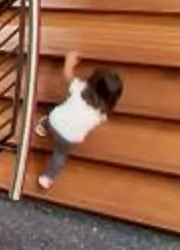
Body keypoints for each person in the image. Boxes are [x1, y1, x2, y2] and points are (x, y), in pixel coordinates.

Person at [37, 52, 126, 190]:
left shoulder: (79, 87)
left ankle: (42, 128)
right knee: (59, 155)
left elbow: (66, 73)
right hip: (70, 138)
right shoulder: (102, 115)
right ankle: (47, 178)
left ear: (92, 81)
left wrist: (70, 60)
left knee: (52, 118)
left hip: (55, 121)